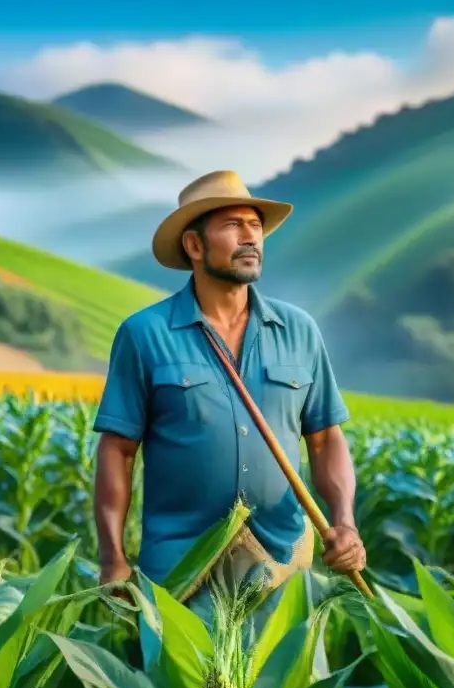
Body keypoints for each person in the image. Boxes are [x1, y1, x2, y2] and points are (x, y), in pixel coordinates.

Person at [92, 169, 366, 623]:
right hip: (180, 573)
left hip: (280, 568)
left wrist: (345, 522)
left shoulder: (299, 331)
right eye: (232, 225)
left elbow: (324, 438)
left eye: (255, 225)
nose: (249, 237)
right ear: (194, 246)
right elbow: (117, 450)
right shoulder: (144, 334)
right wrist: (112, 559)